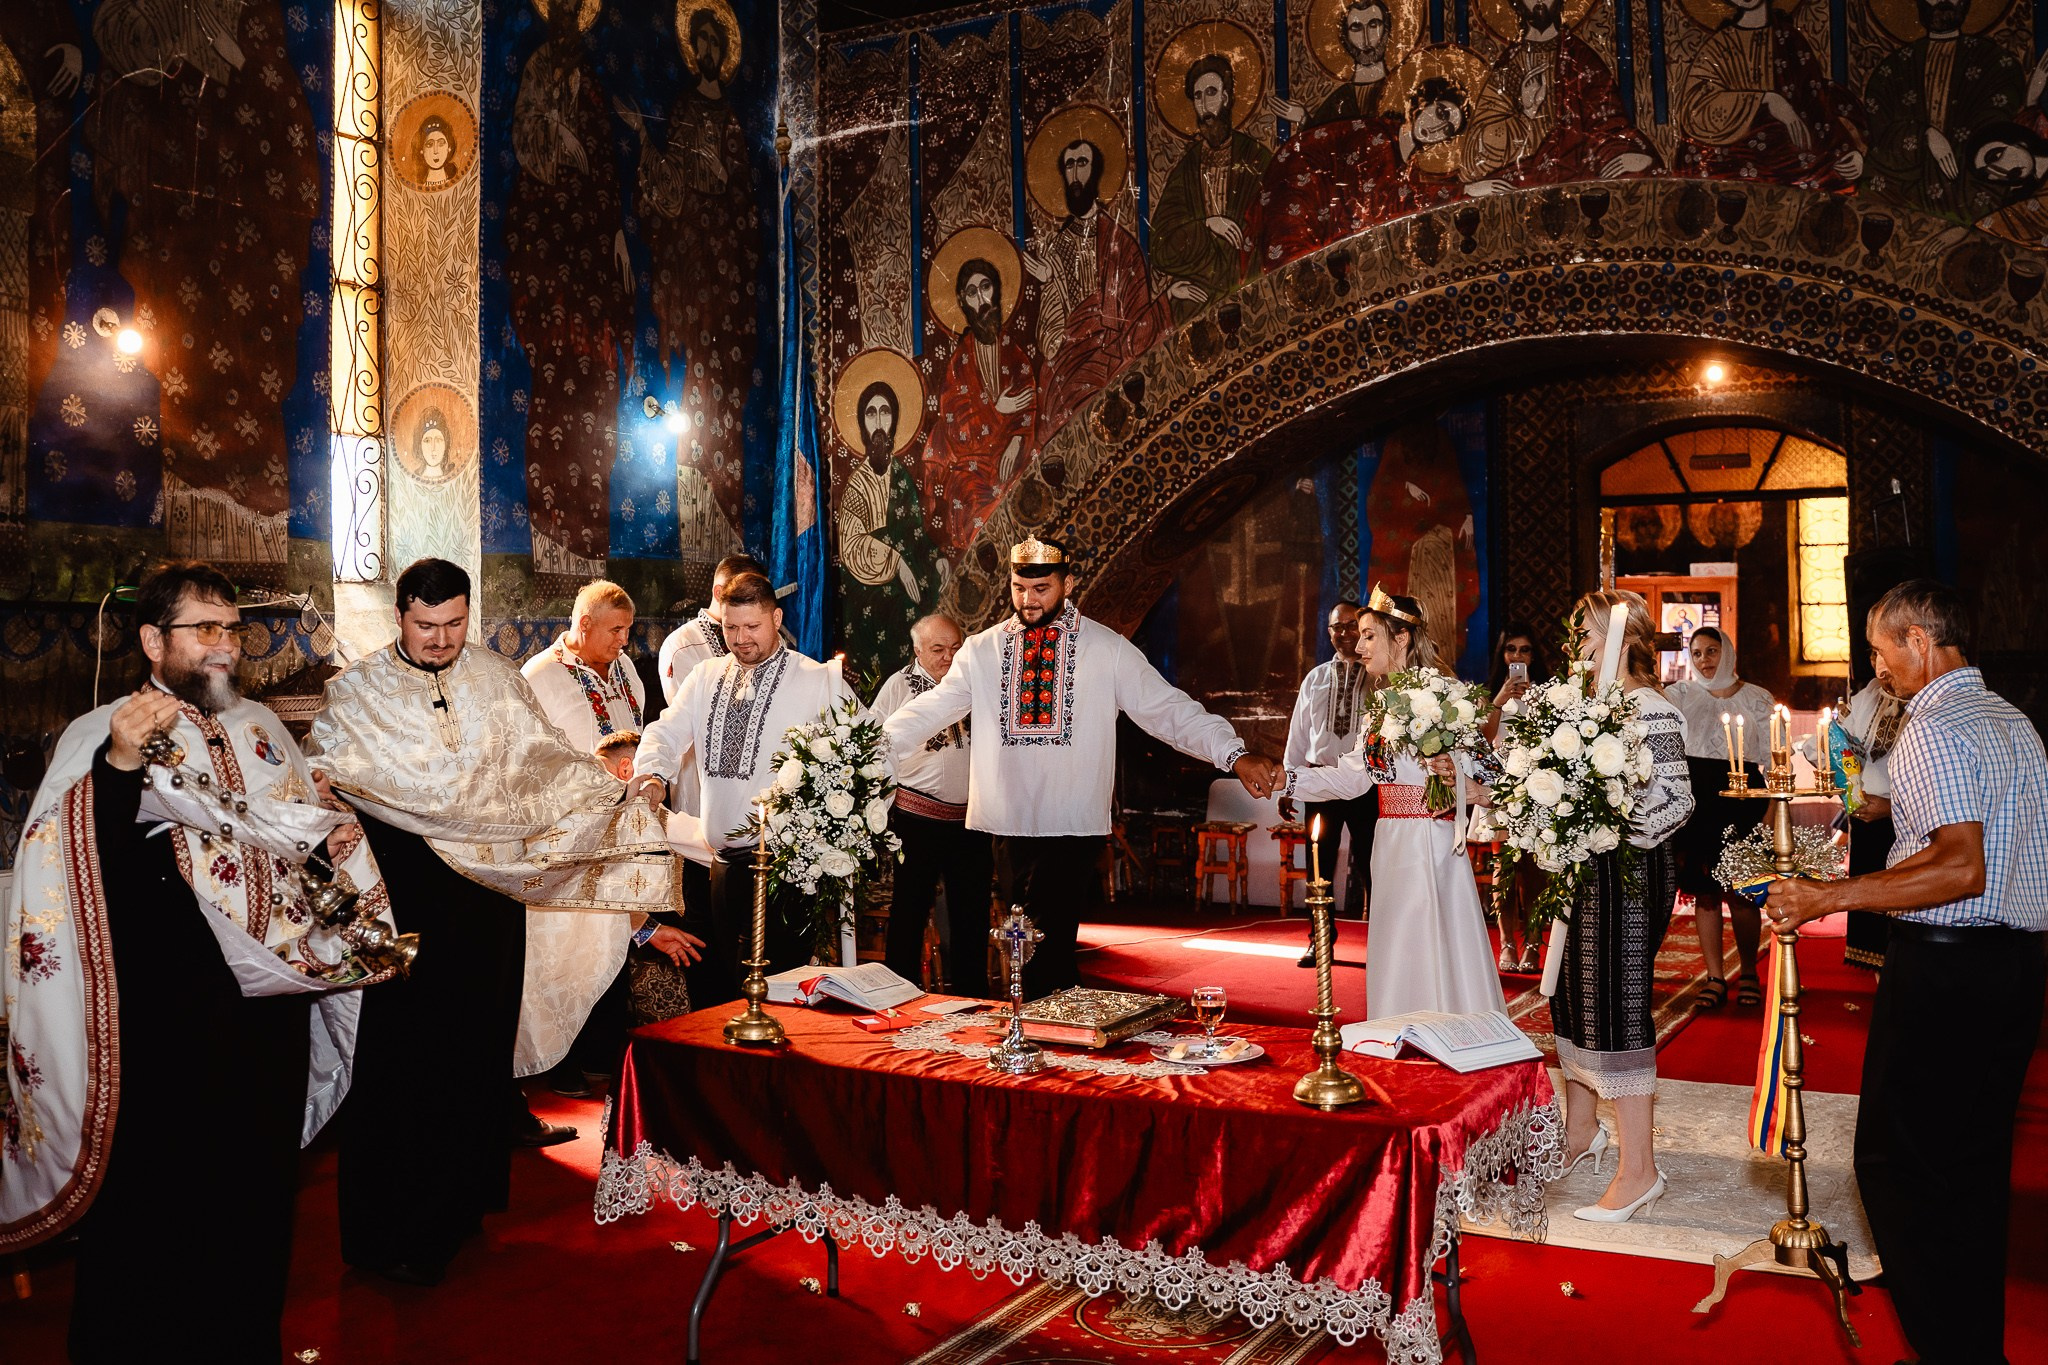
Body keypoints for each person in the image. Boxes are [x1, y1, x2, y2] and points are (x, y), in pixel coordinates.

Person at [1, 561, 393, 1360]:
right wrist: (116, 764)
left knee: (255, 1202)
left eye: (232, 629)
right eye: (204, 628)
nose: (224, 646)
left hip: (264, 1021)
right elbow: (70, 864)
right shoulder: (103, 730)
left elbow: (294, 850)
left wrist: (332, 847)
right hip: (165, 1021)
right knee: (154, 1205)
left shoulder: (260, 726)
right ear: (153, 639)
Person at [307, 558, 687, 1284]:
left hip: (485, 902)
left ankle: (461, 1204)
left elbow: (544, 764)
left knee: (475, 1048)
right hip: (406, 899)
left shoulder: (495, 678)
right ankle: (394, 1223)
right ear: (399, 618)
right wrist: (330, 810)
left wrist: (614, 801)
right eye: (426, 626)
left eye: (454, 625)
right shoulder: (357, 692)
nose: (441, 639)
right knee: (404, 1059)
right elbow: (321, 775)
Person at [1765, 581, 2045, 1365]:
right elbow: (1968, 838)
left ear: (1921, 642)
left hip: (1947, 972)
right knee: (1975, 1170)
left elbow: (1960, 864)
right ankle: (1971, 1347)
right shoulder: (2012, 720)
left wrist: (1832, 893)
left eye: (1882, 652)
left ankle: (1942, 1345)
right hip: (2016, 969)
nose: (1878, 669)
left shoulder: (1932, 726)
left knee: (1893, 1167)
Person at [884, 536, 1282, 997]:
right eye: (1018, 589)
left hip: (1072, 821)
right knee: (1028, 942)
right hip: (1008, 823)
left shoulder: (1106, 649)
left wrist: (1233, 753)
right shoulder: (982, 651)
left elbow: (1167, 710)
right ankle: (1047, 1024)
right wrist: (869, 748)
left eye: (1041, 589)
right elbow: (932, 708)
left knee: (1043, 942)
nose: (1028, 601)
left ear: (1068, 583)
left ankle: (1041, 1031)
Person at [1282, 586, 1507, 1021]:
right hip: (1390, 837)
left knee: (1434, 938)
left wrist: (1454, 776)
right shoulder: (1379, 705)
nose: (1359, 645)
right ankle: (1399, 1027)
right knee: (1398, 941)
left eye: (1369, 636)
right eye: (1358, 636)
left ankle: (1455, 1028)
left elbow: (1491, 773)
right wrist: (1285, 780)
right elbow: (1351, 778)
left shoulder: (1445, 694)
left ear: (1400, 638)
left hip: (1432, 841)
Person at [633, 572, 856, 991]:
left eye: (752, 626)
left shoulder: (817, 680)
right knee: (728, 985)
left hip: (789, 871)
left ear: (776, 618)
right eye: (730, 627)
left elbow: (866, 749)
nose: (740, 638)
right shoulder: (704, 677)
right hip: (721, 864)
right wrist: (653, 776)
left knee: (782, 989)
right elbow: (664, 732)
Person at [1551, 590, 1694, 1224]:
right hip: (1590, 867)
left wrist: (1614, 823)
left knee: (1617, 1002)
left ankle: (1639, 1170)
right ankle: (1581, 1132)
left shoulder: (1650, 711)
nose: (1578, 645)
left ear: (1620, 638)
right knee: (1575, 995)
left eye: (1585, 632)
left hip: (1632, 871)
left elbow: (1679, 802)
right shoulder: (1593, 708)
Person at [520, 580, 683, 1098]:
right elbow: (531, 759)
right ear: (583, 624)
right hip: (569, 828)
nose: (623, 641)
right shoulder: (540, 676)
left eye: (628, 631)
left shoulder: (627, 670)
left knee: (616, 937)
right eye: (615, 630)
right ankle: (558, 1059)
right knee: (569, 946)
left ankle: (602, 1054)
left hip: (625, 821)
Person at [873, 614, 993, 996]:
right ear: (918, 650)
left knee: (971, 914)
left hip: (970, 821)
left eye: (955, 648)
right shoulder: (898, 686)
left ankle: (972, 997)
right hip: (916, 820)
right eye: (938, 650)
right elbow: (874, 742)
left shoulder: (978, 685)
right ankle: (900, 993)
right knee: (909, 912)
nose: (948, 657)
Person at [1665, 625, 1773, 1008]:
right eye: (1696, 653)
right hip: (1696, 801)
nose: (1704, 661)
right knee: (1705, 894)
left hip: (1741, 799)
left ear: (1727, 652)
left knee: (1743, 893)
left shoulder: (1757, 698)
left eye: (1712, 652)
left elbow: (1775, 761)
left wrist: (1773, 812)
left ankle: (1748, 972)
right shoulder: (1677, 695)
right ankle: (1714, 976)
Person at [1280, 600, 1378, 966]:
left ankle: (1383, 942)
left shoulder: (1378, 676)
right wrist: (1290, 782)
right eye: (1338, 627)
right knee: (1318, 865)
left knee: (1373, 864)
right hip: (1320, 782)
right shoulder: (1316, 677)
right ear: (1329, 632)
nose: (1345, 634)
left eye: (1353, 626)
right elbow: (1298, 732)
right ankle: (1320, 940)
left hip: (1368, 784)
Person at [1482, 621, 1551, 971]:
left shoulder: (1547, 692)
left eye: (1525, 650)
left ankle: (1534, 942)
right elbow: (1483, 736)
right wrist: (1501, 698)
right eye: (1512, 650)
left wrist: (1533, 701)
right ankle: (1507, 942)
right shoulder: (1491, 691)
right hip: (1501, 786)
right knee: (1504, 868)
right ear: (1503, 654)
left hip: (1538, 786)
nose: (1518, 656)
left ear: (1533, 656)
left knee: (1534, 871)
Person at [1838, 649, 1906, 970]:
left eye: (1885, 653)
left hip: (1906, 824)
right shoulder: (1869, 695)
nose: (1879, 664)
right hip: (1868, 817)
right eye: (1873, 654)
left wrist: (1892, 807)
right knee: (1870, 911)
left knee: (1900, 911)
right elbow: (1843, 743)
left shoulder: (1928, 705)